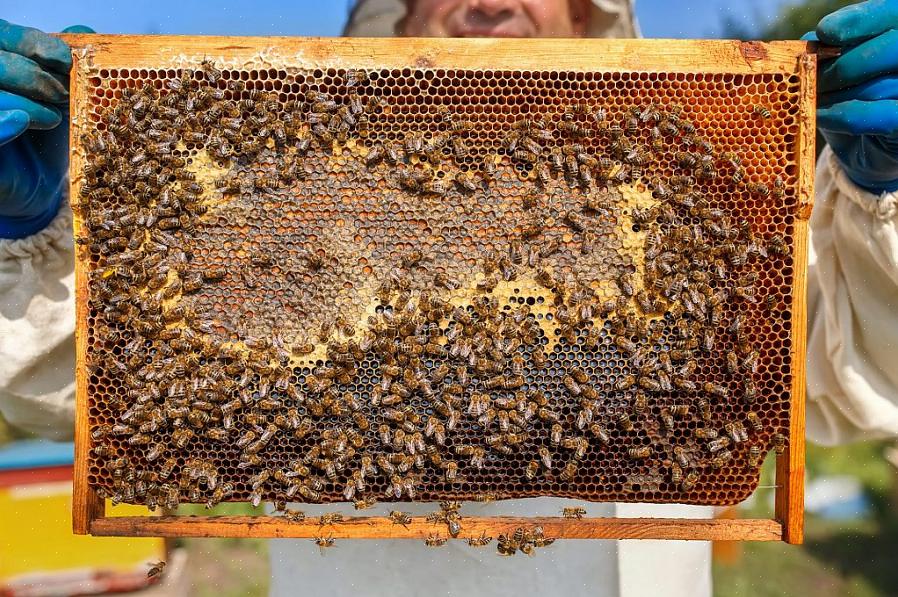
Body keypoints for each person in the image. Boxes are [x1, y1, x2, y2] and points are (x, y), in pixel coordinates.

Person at [1, 0, 897, 595]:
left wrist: (883, 205)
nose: (489, 3)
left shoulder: (687, 199)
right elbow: (85, 386)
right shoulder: (279, 208)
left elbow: (856, 380)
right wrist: (23, 240)